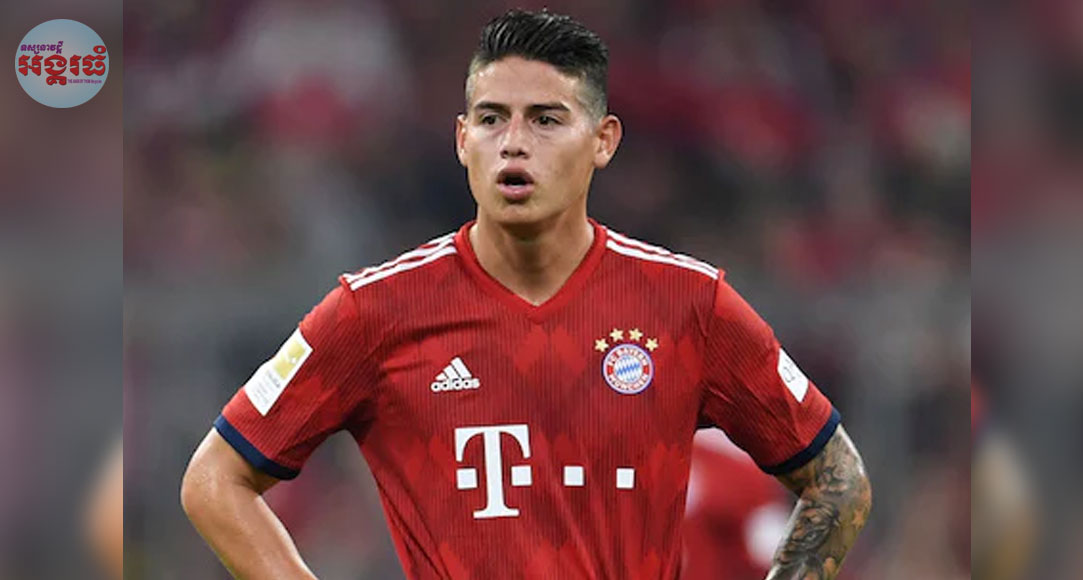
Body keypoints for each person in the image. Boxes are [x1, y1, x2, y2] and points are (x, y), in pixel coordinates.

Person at [181, 9, 871, 579]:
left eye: (545, 119)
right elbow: (215, 480)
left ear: (602, 141)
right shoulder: (376, 312)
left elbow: (839, 480)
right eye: (491, 119)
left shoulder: (689, 304)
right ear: (461, 140)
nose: (513, 143)